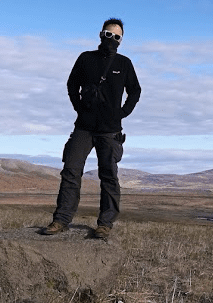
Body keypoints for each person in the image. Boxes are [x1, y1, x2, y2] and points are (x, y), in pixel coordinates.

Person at [41, 18, 141, 240]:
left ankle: (105, 224)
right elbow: (71, 84)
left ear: (121, 40)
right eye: (108, 35)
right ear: (100, 34)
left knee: (108, 176)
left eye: (117, 37)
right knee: (70, 171)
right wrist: (79, 108)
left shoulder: (124, 64)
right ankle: (61, 220)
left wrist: (122, 113)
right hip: (84, 127)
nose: (112, 39)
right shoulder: (86, 58)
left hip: (110, 130)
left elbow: (135, 91)